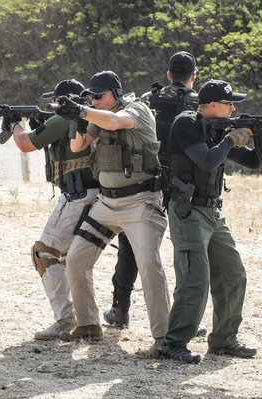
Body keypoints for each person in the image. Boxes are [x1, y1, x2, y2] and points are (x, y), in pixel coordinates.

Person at [160, 79, 262, 363]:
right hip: (188, 210)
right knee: (195, 280)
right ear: (215, 106)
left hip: (213, 212)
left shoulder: (216, 130)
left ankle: (223, 340)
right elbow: (206, 161)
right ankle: (174, 343)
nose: (234, 110)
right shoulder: (186, 124)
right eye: (230, 104)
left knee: (233, 275)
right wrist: (231, 139)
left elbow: (255, 162)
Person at [53, 71, 171, 347]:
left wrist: (83, 110)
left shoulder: (136, 109)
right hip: (106, 204)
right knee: (76, 259)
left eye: (99, 95)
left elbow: (117, 122)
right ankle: (88, 325)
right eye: (91, 96)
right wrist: (76, 118)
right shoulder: (97, 114)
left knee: (149, 266)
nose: (95, 100)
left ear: (116, 93)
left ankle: (165, 337)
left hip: (140, 202)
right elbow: (78, 145)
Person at [104, 51, 206, 337]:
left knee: (131, 248)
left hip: (146, 180)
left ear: (169, 75)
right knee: (183, 251)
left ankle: (120, 310)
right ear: (193, 76)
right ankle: (186, 319)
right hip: (185, 185)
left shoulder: (149, 100)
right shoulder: (199, 103)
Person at [1, 79, 100, 340]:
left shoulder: (63, 120)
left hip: (77, 196)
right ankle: (87, 320)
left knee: (44, 253)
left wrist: (14, 124)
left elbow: (24, 144)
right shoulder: (90, 117)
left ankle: (65, 318)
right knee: (72, 259)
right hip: (94, 195)